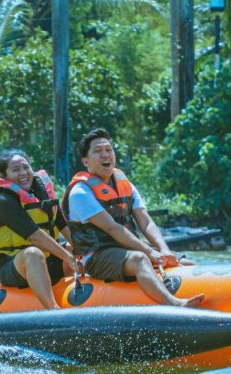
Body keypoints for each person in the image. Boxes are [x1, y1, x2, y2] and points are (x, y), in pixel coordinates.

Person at [62, 128, 204, 307]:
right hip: (98, 256)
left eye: (109, 149)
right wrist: (150, 252)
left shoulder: (124, 183)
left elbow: (145, 221)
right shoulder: (80, 192)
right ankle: (174, 304)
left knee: (186, 262)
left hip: (128, 250)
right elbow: (112, 228)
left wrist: (164, 250)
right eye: (98, 151)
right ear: (86, 161)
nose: (105, 155)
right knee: (140, 260)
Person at [0, 149, 78, 309]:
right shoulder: (3, 201)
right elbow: (35, 236)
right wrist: (67, 257)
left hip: (48, 261)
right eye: (16, 170)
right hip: (13, 267)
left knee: (74, 247)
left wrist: (82, 251)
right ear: (4, 175)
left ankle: (79, 297)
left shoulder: (41, 194)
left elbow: (62, 224)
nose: (23, 173)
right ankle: (53, 310)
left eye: (26, 167)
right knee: (33, 254)